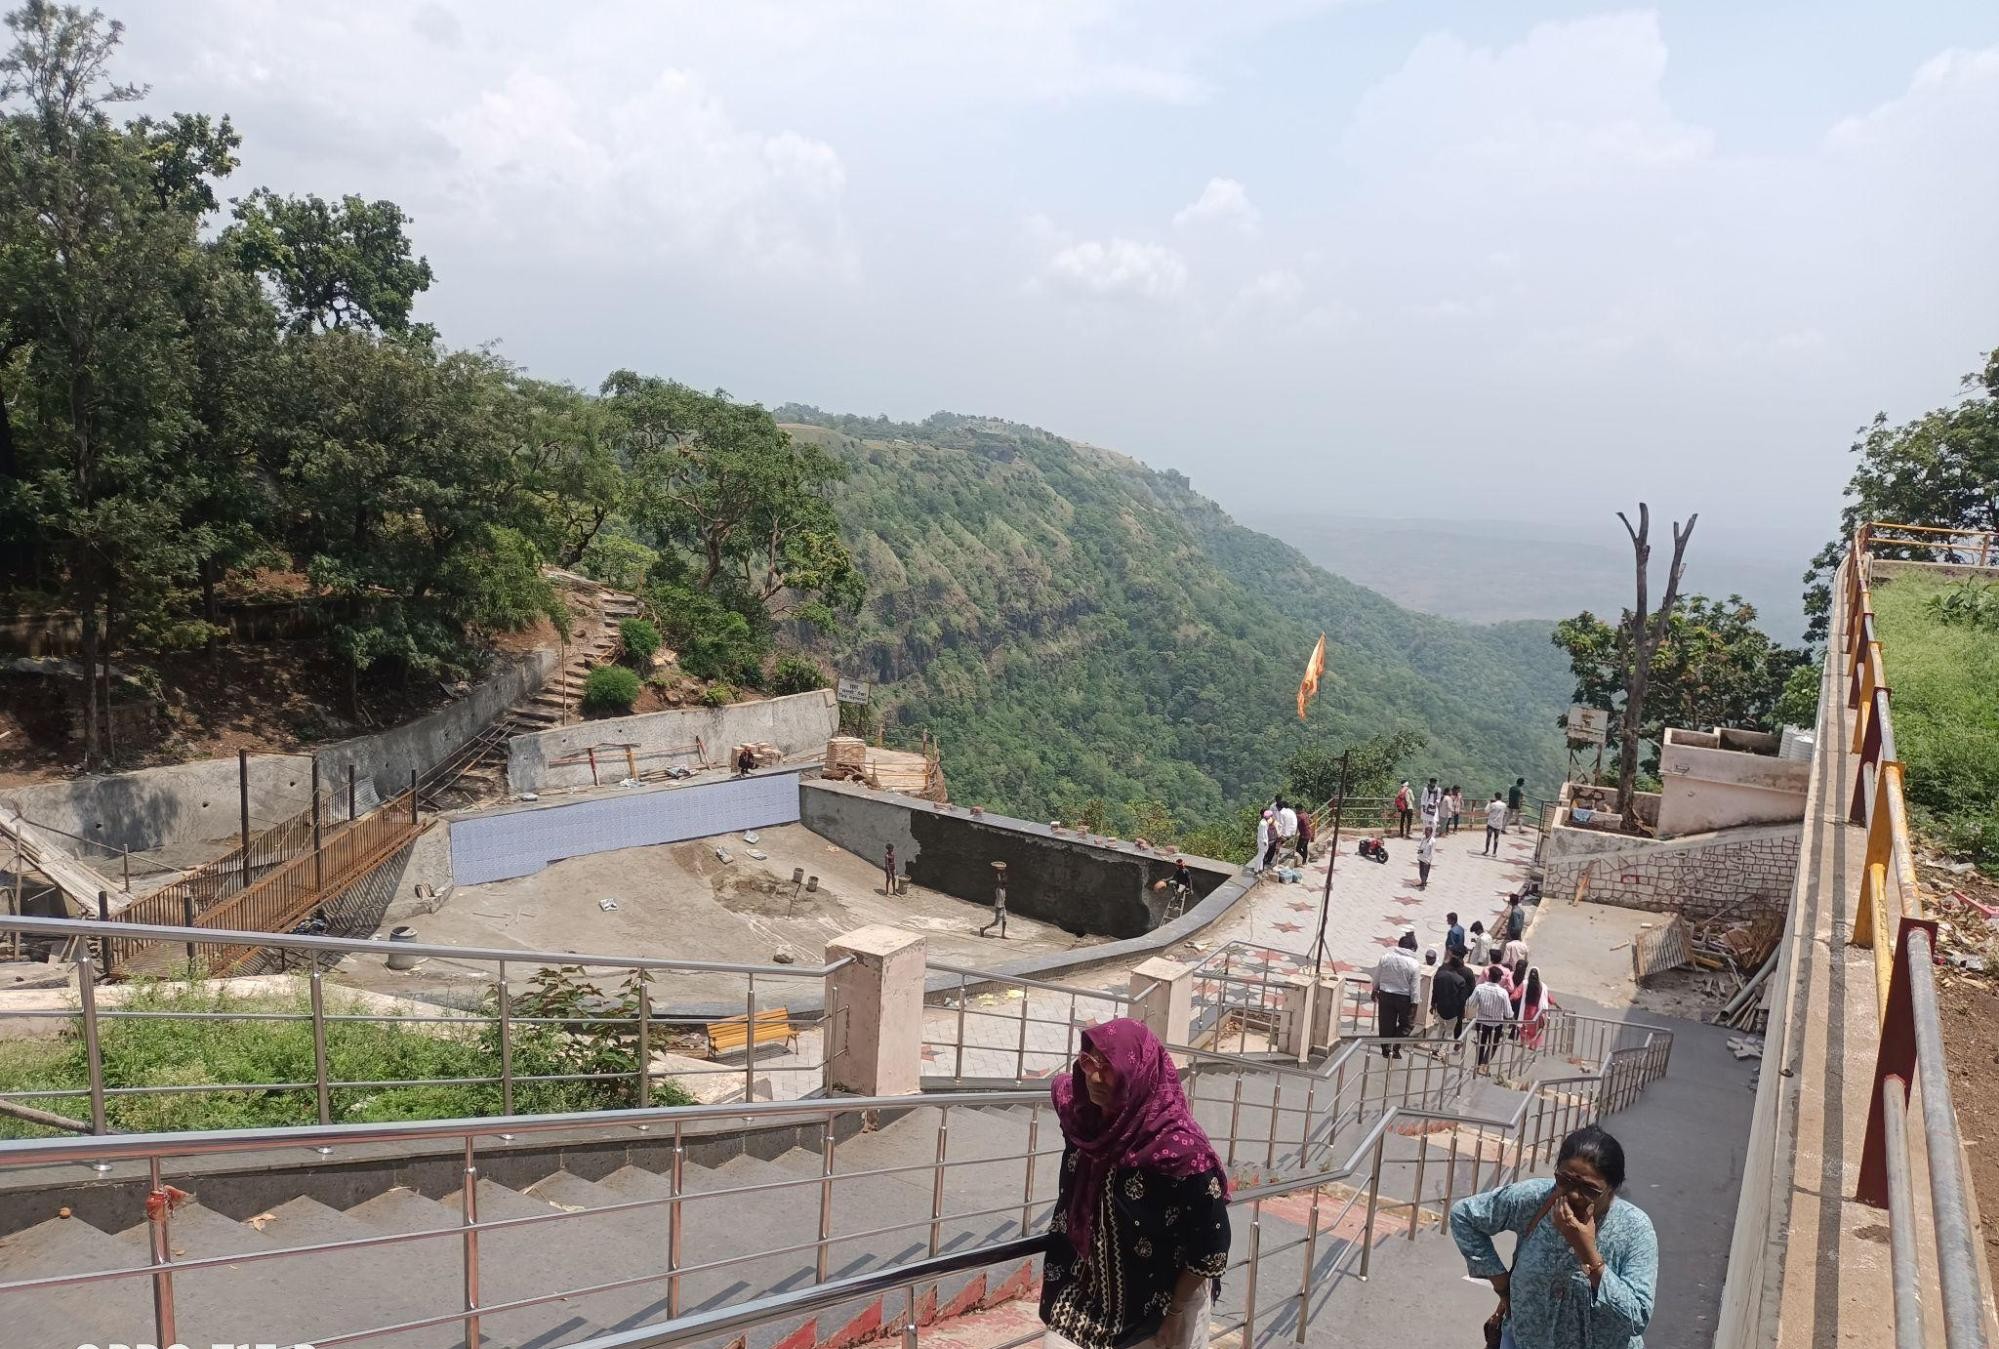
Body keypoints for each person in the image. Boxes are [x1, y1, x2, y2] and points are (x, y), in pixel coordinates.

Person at [1041, 1019, 1232, 1349]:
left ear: (1138, 1072)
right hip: (1089, 1296)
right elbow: (1064, 1091)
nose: (1095, 1078)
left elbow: (1211, 1249)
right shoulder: (1085, 1120)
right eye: (1089, 1061)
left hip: (1163, 1309)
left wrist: (1175, 1316)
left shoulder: (1180, 1154)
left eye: (1110, 1067)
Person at [1449, 1126, 1657, 1349]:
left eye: (1589, 1189)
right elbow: (1464, 1216)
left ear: (1612, 1189)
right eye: (1565, 1181)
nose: (1574, 1195)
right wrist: (1501, 1282)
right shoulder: (1534, 1198)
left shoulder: (1635, 1229)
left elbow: (1638, 1317)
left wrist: (1588, 1254)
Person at [1371, 932, 1422, 1057]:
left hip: (1385, 995)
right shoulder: (1414, 964)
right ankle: (1395, 1046)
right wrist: (1415, 1003)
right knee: (1407, 1024)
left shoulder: (1386, 957)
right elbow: (1415, 987)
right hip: (1404, 998)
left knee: (1385, 1023)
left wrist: (1374, 989)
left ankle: (1385, 1049)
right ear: (1411, 948)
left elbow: (1377, 976)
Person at [1469, 966, 1514, 1073]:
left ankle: (1478, 1065)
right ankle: (1484, 1065)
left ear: (1488, 976)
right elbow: (1508, 1013)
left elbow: (1471, 1003)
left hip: (1481, 1021)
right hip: (1496, 1023)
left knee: (1481, 1044)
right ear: (1499, 979)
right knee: (1493, 1046)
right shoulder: (1503, 993)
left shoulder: (1479, 988)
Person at [1431, 952, 1473, 1040]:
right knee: (1449, 1031)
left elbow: (1435, 990)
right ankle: (1443, 1050)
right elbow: (1465, 995)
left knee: (1441, 1027)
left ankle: (1436, 1047)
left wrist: (1433, 1004)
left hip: (1440, 1006)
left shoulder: (1440, 973)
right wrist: (1461, 1011)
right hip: (1454, 1010)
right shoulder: (1461, 979)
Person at [1517, 967, 1554, 1050]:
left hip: (1525, 1010)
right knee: (1535, 1029)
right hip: (1536, 1011)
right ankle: (1533, 1046)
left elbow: (1517, 994)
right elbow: (1549, 997)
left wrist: (1510, 998)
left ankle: (1523, 1043)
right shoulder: (1543, 986)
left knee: (1523, 1027)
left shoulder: (1525, 983)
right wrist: (1555, 1004)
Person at [980, 871, 1010, 939]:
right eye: (1004, 885)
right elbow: (1000, 882)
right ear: (1001, 884)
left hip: (1003, 907)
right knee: (996, 923)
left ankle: (1003, 934)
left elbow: (1002, 881)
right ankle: (983, 929)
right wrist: (998, 874)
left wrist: (1004, 875)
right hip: (998, 907)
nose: (1005, 886)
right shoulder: (998, 889)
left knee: (1005, 921)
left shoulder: (1003, 889)